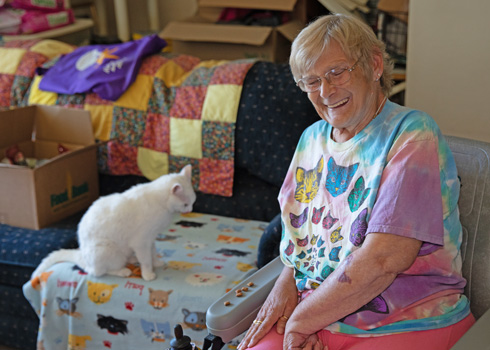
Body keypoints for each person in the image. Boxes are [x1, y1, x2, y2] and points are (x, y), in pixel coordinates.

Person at [237, 13, 474, 350]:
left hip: (405, 319)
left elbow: (383, 260)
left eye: (336, 72)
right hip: (319, 307)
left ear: (374, 65)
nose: (326, 91)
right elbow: (301, 239)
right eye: (311, 81)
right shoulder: (311, 140)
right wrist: (286, 286)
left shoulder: (411, 135)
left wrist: (301, 323)